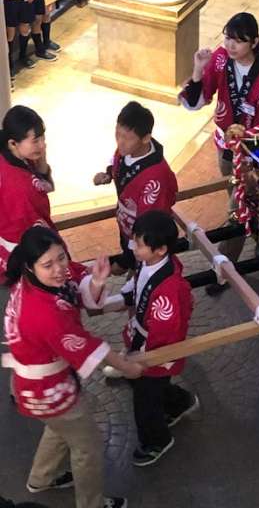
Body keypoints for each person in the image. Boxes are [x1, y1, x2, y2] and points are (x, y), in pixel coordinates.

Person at [2, 226, 144, 507]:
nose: (59, 269)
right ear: (30, 266)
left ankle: (41, 478)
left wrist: (97, 280)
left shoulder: (28, 285)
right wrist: (127, 367)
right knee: (87, 446)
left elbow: (77, 288)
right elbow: (88, 346)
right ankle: (92, 504)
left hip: (35, 388)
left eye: (61, 258)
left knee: (59, 427)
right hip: (49, 388)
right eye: (48, 265)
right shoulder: (44, 313)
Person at [179, 12, 259, 293]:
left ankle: (224, 272)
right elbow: (197, 100)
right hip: (225, 149)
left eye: (239, 40)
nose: (231, 45)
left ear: (255, 42)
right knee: (241, 200)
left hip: (251, 155)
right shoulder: (221, 59)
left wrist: (250, 152)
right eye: (228, 38)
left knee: (238, 209)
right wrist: (198, 69)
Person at [117, 211, 198, 467]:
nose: (133, 247)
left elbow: (165, 332)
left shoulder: (168, 289)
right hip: (144, 338)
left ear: (160, 249)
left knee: (145, 397)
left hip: (156, 349)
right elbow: (138, 285)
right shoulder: (150, 262)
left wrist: (145, 358)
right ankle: (180, 403)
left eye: (139, 244)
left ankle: (157, 441)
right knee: (153, 387)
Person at [93, 101, 178, 274]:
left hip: (144, 245)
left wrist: (126, 261)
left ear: (145, 138)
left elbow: (148, 230)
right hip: (128, 229)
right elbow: (118, 164)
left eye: (127, 138)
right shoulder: (127, 151)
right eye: (117, 134)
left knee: (141, 275)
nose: (120, 142)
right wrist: (108, 174)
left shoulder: (155, 179)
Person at [0, 105, 58, 284]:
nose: (42, 145)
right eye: (35, 141)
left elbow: (46, 186)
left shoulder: (14, 156)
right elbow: (34, 231)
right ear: (13, 143)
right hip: (23, 253)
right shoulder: (18, 186)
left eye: (42, 138)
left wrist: (42, 163)